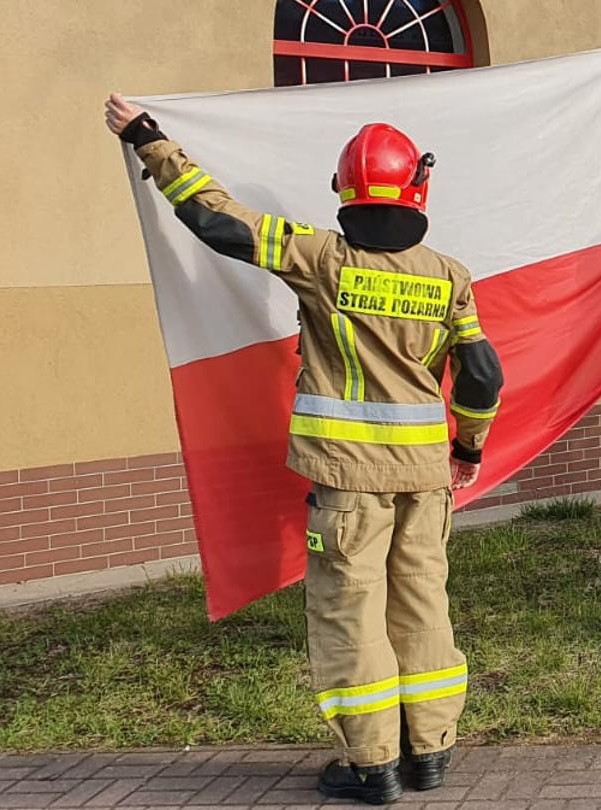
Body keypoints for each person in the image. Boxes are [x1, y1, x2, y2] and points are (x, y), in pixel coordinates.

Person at [107, 94, 502, 805]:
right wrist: (467, 448)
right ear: (418, 188)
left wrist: (149, 140)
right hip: (426, 479)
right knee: (422, 606)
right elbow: (482, 375)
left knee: (352, 613)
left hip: (348, 480)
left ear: (344, 189)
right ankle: (430, 753)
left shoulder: (321, 257)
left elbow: (218, 221)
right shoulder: (450, 275)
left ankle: (373, 766)